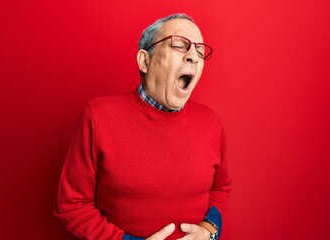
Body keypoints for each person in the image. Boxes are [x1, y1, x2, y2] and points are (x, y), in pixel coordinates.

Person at [54, 13, 231, 240]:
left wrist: (209, 231)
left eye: (199, 51)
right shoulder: (98, 116)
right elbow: (72, 205)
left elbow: (221, 188)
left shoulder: (211, 123)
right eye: (179, 45)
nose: (193, 57)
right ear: (145, 61)